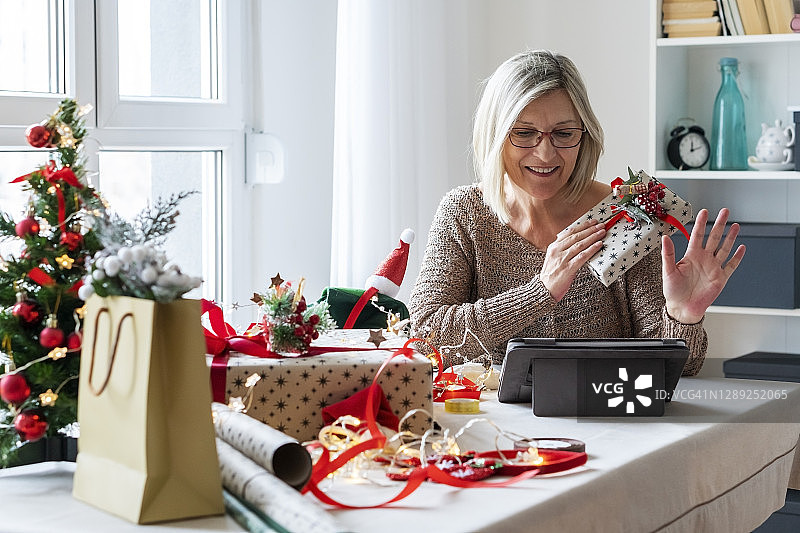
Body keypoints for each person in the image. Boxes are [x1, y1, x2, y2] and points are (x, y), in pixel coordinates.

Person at [408, 50, 745, 375]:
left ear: (584, 136)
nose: (545, 154)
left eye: (564, 133)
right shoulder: (463, 213)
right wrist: (539, 293)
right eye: (524, 133)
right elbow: (424, 338)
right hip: (491, 413)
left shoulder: (627, 212)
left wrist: (682, 316)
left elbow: (677, 368)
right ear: (495, 135)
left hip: (603, 410)